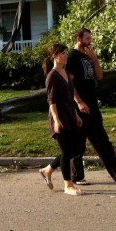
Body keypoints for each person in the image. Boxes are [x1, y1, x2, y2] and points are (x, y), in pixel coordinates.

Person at [66, 28, 116, 183]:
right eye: (87, 38)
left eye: (91, 38)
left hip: (92, 103)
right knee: (79, 142)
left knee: (102, 139)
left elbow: (99, 76)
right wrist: (79, 102)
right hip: (80, 105)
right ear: (78, 39)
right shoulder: (72, 56)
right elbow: (69, 83)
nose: (90, 41)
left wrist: (94, 59)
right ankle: (77, 177)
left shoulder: (88, 56)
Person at [39, 43, 85, 196]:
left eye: (66, 53)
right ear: (54, 56)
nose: (65, 56)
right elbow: (51, 101)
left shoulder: (64, 73)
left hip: (70, 115)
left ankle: (48, 170)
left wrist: (76, 114)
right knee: (66, 151)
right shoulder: (52, 76)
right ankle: (68, 185)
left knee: (76, 149)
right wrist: (57, 121)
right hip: (59, 117)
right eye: (62, 53)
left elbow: (69, 97)